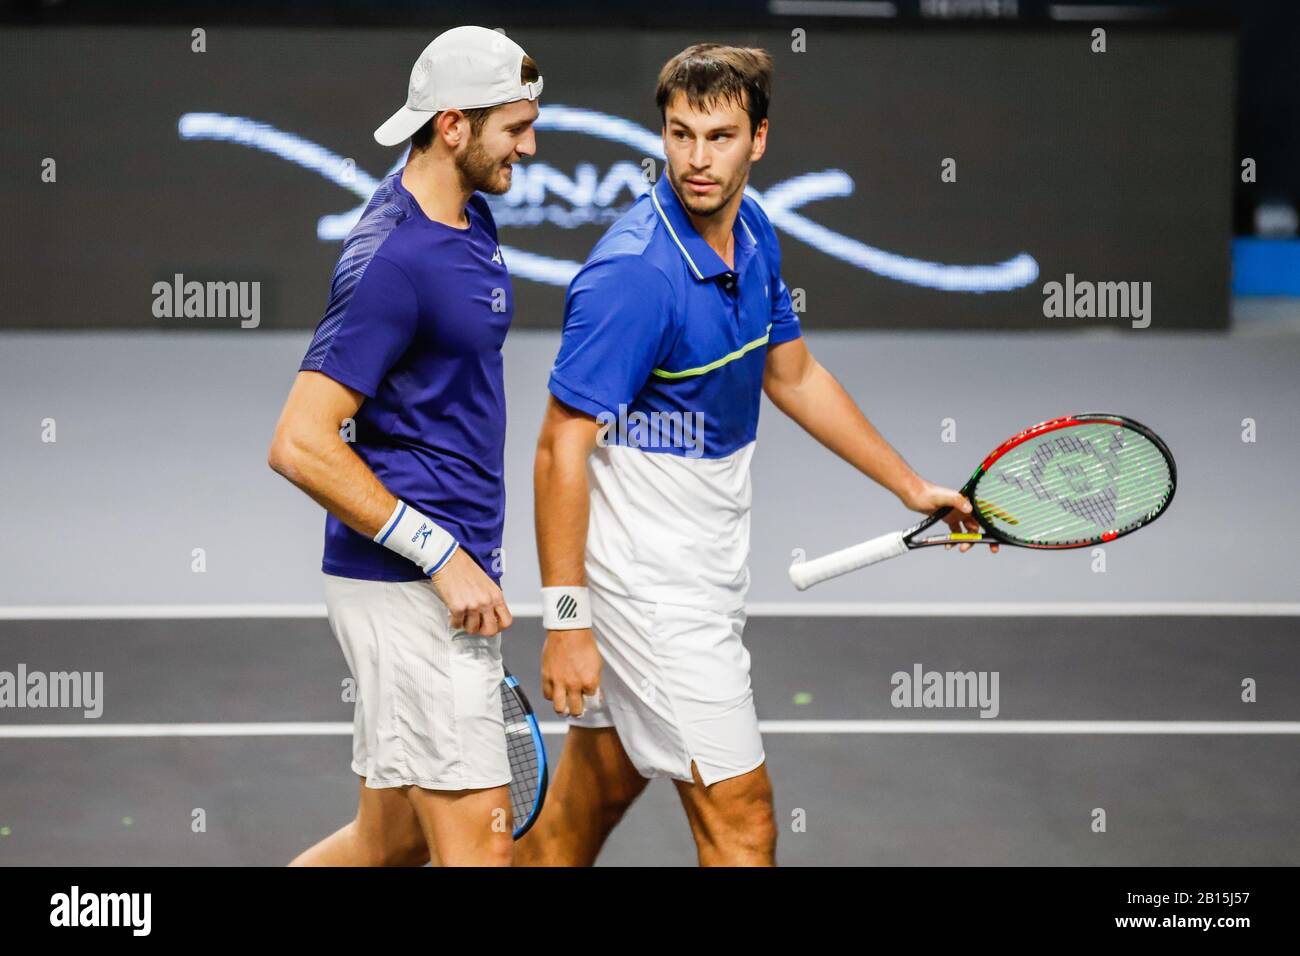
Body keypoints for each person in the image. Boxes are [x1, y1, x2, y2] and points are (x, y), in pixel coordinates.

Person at [518, 43, 992, 867]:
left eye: (720, 136)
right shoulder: (634, 276)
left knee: (587, 803)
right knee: (744, 823)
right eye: (680, 134)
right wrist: (567, 622)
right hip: (653, 593)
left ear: (759, 140)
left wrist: (911, 486)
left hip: (703, 565)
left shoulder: (756, 231)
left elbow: (795, 374)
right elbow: (560, 447)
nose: (698, 160)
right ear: (661, 135)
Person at [267, 25, 542, 867]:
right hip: (411, 587)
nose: (530, 148)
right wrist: (441, 554)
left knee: (385, 847)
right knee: (481, 853)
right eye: (515, 128)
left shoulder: (468, 218)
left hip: (443, 579)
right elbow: (299, 442)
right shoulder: (391, 260)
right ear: (453, 125)